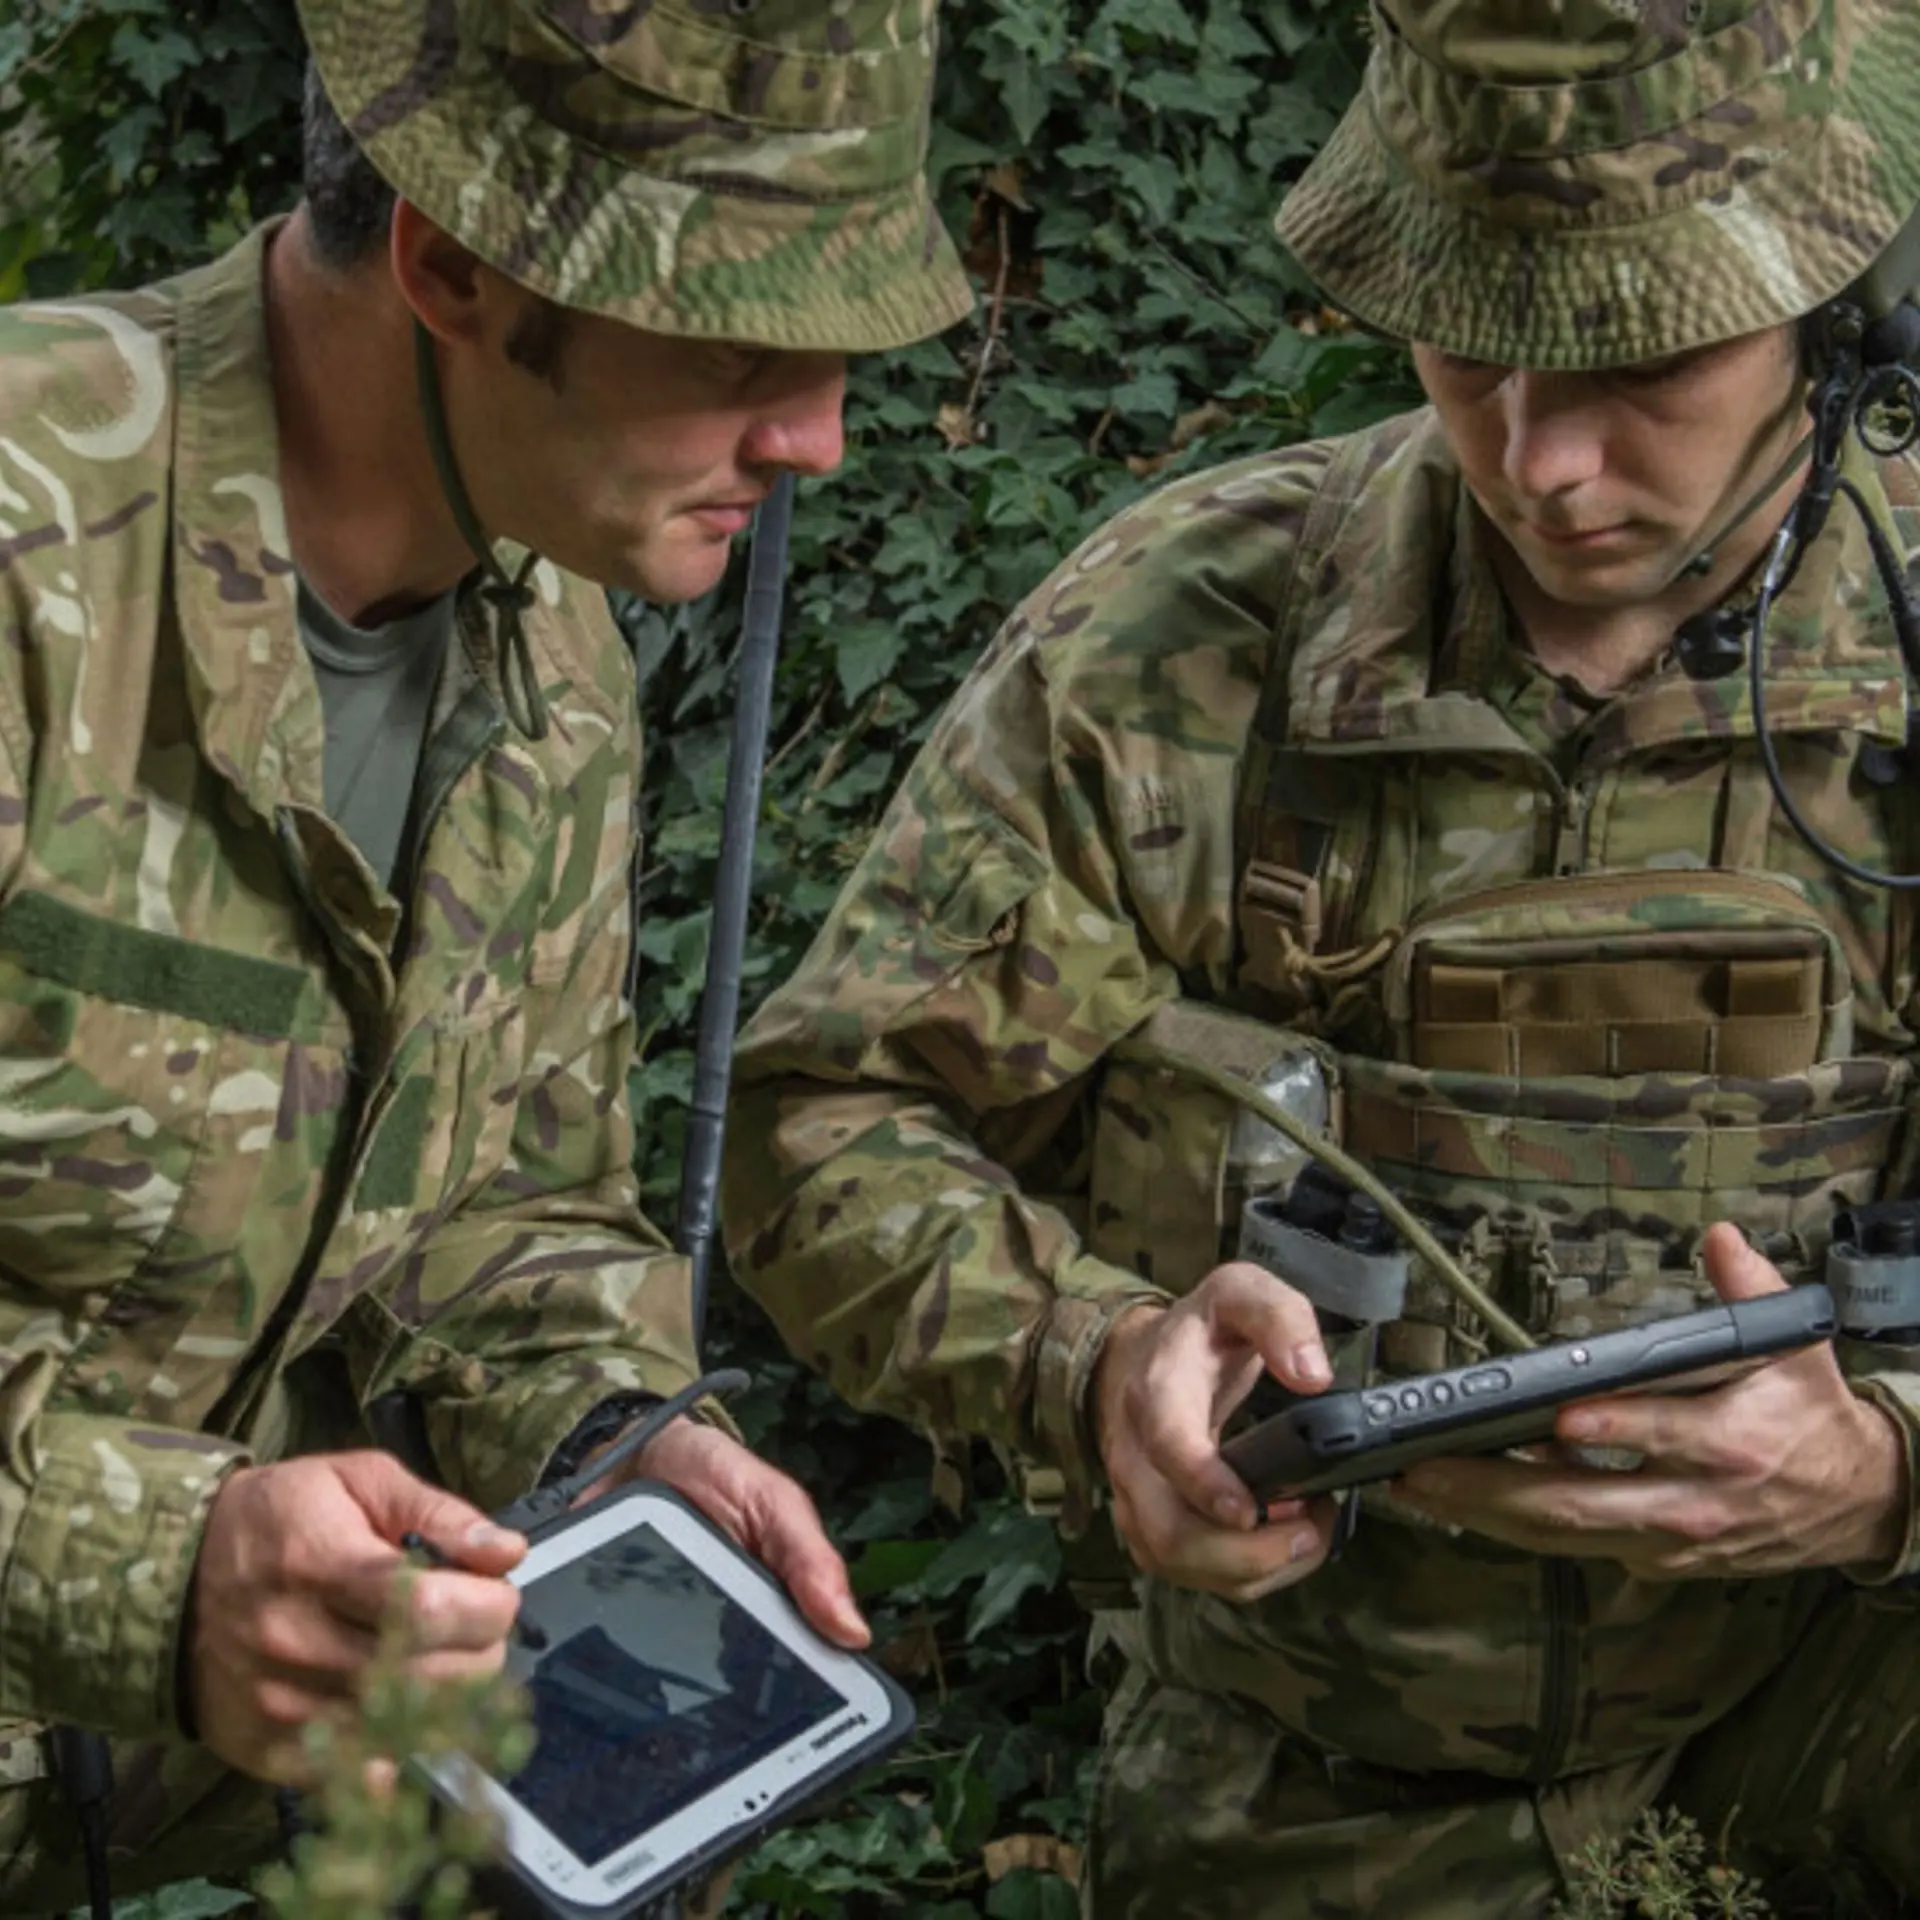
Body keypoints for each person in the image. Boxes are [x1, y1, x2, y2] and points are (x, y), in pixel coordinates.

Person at [721, 2, 1920, 1912]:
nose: (1541, 457)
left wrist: (1885, 1472)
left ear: (1837, 312)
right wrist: (1095, 1361)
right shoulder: (1184, 638)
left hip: (1842, 1747)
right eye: (1473, 345)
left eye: (1641, 361)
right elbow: (823, 1125)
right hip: (1312, 1789)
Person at [0, 0, 971, 1908]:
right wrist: (145, 1566)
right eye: (740, 343)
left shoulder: (552, 645)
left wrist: (606, 1436)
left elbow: (507, 1202)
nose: (819, 437)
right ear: (451, 265)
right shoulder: (32, 559)